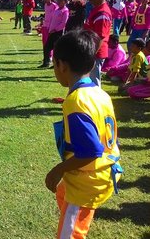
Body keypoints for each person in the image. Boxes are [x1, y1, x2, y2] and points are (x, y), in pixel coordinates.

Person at [46, 29, 122, 239]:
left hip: (87, 182)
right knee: (62, 193)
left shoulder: (77, 101)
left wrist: (58, 169)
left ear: (61, 65)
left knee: (69, 235)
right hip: (105, 171)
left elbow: (90, 151)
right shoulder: (99, 92)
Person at [83, 0, 112, 87]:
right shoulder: (96, 9)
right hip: (91, 50)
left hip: (96, 52)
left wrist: (92, 53)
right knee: (88, 79)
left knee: (94, 81)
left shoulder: (103, 13)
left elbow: (100, 37)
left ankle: (97, 102)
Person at [40, 0, 69, 68]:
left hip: (58, 32)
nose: (58, 2)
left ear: (65, 2)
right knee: (47, 47)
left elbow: (64, 23)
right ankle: (46, 63)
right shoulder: (57, 9)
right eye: (58, 0)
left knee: (57, 49)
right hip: (51, 31)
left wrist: (55, 29)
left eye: (61, 0)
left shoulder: (65, 11)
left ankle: (56, 64)